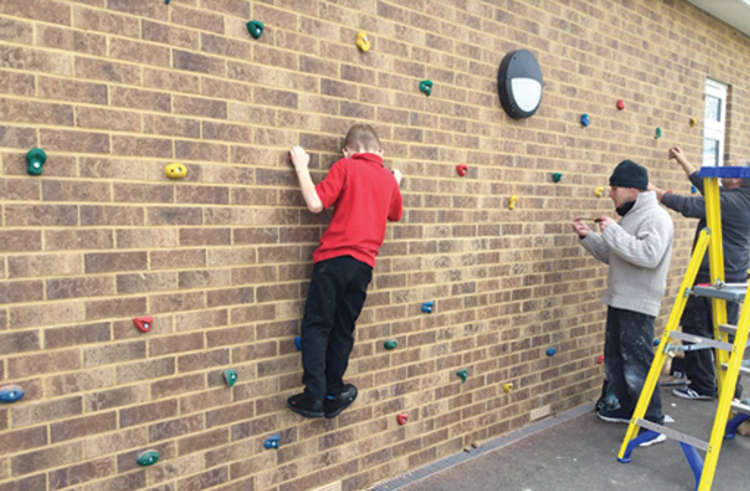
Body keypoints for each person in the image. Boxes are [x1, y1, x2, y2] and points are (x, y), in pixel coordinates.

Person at [286, 124, 403, 418]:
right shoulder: (388, 180)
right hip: (363, 267)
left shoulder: (346, 166)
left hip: (333, 261)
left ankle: (313, 396)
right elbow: (395, 213)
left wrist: (301, 167)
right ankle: (333, 392)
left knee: (317, 326)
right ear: (379, 151)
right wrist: (395, 182)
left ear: (348, 151)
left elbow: (315, 203)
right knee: (342, 329)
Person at [572, 159, 673, 440]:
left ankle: (652, 424)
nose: (611, 193)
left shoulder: (656, 217)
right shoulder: (630, 216)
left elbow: (648, 256)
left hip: (638, 301)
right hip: (620, 298)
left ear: (632, 188)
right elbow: (613, 254)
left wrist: (613, 231)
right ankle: (630, 410)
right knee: (616, 360)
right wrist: (588, 237)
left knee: (637, 363)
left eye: (614, 187)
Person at [650, 147, 750, 401]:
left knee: (696, 327)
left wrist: (656, 192)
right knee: (724, 335)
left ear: (738, 178)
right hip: (732, 275)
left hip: (713, 274)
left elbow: (689, 205)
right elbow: (705, 187)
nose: (723, 172)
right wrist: (683, 160)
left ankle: (703, 385)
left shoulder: (731, 202)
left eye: (730, 169)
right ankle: (731, 390)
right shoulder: (738, 197)